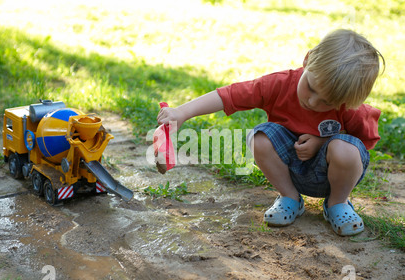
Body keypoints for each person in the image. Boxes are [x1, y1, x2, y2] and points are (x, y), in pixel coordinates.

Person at [157, 29, 385, 236]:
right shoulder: (279, 84)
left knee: (345, 148)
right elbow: (231, 95)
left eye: (327, 102)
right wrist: (182, 113)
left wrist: (322, 141)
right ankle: (290, 198)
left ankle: (337, 204)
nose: (312, 101)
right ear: (307, 60)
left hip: (332, 177)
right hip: (288, 171)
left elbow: (362, 143)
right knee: (260, 137)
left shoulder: (350, 108)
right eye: (311, 88)